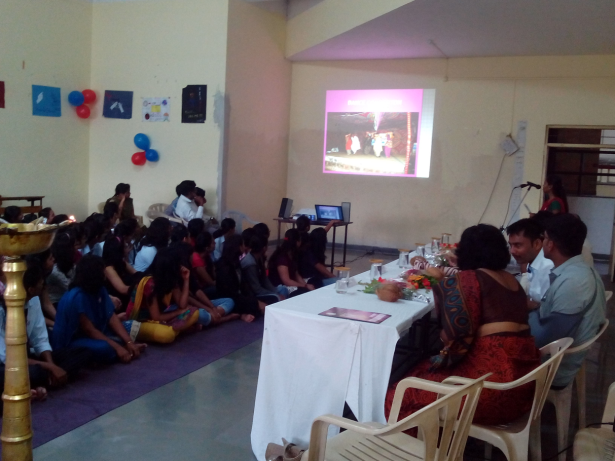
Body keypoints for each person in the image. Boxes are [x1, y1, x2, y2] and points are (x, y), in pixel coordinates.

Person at [385, 224, 541, 426]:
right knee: (419, 370)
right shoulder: (512, 281)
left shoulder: (469, 280)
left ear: (465, 253)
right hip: (524, 384)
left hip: (493, 390)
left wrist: (442, 286)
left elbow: (453, 339)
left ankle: (433, 443)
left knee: (399, 395)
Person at [528, 214, 606, 388]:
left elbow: (545, 338)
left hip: (554, 367)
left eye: (544, 238)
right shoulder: (579, 271)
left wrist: (524, 316)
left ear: (550, 244)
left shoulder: (574, 282)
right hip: (559, 355)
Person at [0, 264, 92, 395]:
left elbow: (40, 339)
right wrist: (50, 367)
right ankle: (46, 381)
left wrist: (51, 365)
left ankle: (46, 381)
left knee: (83, 353)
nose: (43, 284)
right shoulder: (2, 309)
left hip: (29, 358)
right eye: (41, 282)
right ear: (31, 289)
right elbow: (8, 359)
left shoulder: (34, 300)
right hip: (8, 364)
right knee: (32, 372)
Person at [52, 255, 146, 364]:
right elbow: (89, 330)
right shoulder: (77, 296)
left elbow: (111, 317)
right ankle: (120, 348)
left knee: (131, 326)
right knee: (104, 348)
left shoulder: (100, 289)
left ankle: (124, 347)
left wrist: (129, 342)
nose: (105, 274)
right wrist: (117, 347)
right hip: (74, 340)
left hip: (99, 331)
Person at [125, 247, 200, 344]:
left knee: (195, 313)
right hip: (140, 321)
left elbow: (182, 305)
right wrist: (178, 312)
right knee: (167, 335)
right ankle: (177, 329)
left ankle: (175, 329)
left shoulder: (169, 279)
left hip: (159, 318)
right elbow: (156, 317)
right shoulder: (149, 283)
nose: (180, 266)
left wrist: (186, 279)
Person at [216, 234, 265, 322]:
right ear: (238, 246)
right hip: (228, 297)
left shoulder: (236, 262)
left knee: (261, 301)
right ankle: (241, 314)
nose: (245, 247)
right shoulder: (224, 265)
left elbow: (243, 285)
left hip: (238, 295)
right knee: (255, 305)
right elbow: (229, 292)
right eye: (243, 244)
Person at [507, 218, 553, 307]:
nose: (512, 251)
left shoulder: (547, 268)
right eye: (511, 245)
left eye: (518, 245)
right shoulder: (531, 262)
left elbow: (547, 308)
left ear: (537, 244)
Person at [102, 219, 140, 307]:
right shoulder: (108, 268)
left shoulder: (120, 261)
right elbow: (123, 289)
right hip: (119, 300)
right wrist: (141, 287)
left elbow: (135, 272)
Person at [268, 229, 314, 296]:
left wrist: (306, 285)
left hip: (290, 284)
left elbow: (296, 274)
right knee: (303, 292)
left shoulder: (292, 254)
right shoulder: (282, 257)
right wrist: (305, 286)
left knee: (314, 283)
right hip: (282, 287)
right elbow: (286, 281)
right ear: (297, 242)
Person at [241, 235, 286, 304]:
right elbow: (256, 289)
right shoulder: (250, 264)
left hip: (261, 288)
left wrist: (275, 291)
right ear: (264, 248)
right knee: (276, 297)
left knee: (283, 289)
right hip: (252, 293)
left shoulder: (259, 258)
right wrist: (275, 294)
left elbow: (264, 278)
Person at [47, 230, 77, 306]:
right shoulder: (54, 271)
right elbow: (70, 287)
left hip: (67, 299)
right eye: (73, 246)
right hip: (56, 303)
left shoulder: (69, 265)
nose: (76, 249)